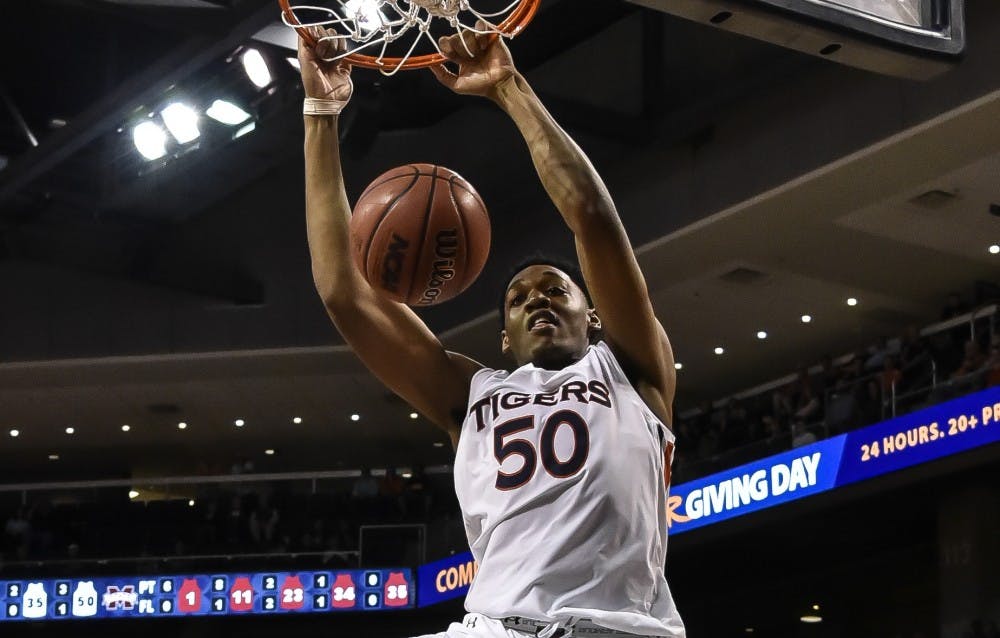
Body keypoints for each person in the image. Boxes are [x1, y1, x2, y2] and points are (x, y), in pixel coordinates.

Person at [298, 23, 684, 638]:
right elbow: (345, 295)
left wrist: (508, 86)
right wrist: (321, 113)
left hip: (609, 629)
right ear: (503, 338)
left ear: (595, 317)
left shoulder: (633, 372)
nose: (537, 300)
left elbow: (590, 216)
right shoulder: (472, 395)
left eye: (556, 290)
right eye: (517, 298)